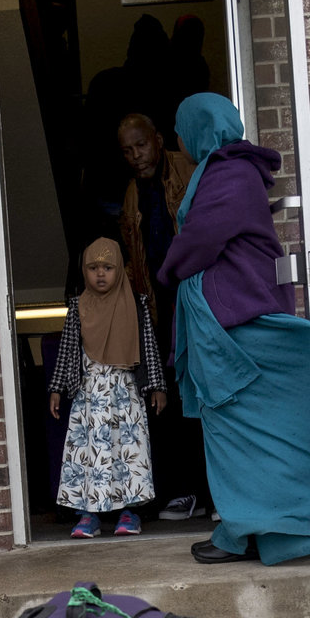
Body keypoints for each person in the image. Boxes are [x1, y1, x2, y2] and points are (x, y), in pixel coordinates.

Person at [159, 92, 310, 566]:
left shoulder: (229, 174)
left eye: (179, 129)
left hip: (234, 325)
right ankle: (258, 532)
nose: (176, 139)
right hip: (227, 323)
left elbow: (201, 239)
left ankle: (254, 529)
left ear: (198, 129)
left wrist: (167, 270)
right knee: (240, 433)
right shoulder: (223, 172)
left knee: (241, 428)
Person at [117, 113, 207, 519]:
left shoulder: (188, 170)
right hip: (160, 309)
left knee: (203, 393)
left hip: (195, 301)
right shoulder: (132, 192)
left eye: (141, 145)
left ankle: (210, 492)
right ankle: (183, 492)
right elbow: (135, 256)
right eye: (128, 150)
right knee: (164, 397)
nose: (136, 156)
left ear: (158, 140)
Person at [48, 238, 168, 537]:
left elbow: (149, 348)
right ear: (84, 272)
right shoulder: (78, 306)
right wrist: (57, 388)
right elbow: (67, 350)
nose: (100, 274)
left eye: (108, 267)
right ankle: (88, 515)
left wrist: (157, 385)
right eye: (93, 268)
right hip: (89, 396)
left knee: (125, 452)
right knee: (89, 454)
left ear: (120, 270)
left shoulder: (136, 304)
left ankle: (128, 514)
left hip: (125, 394)